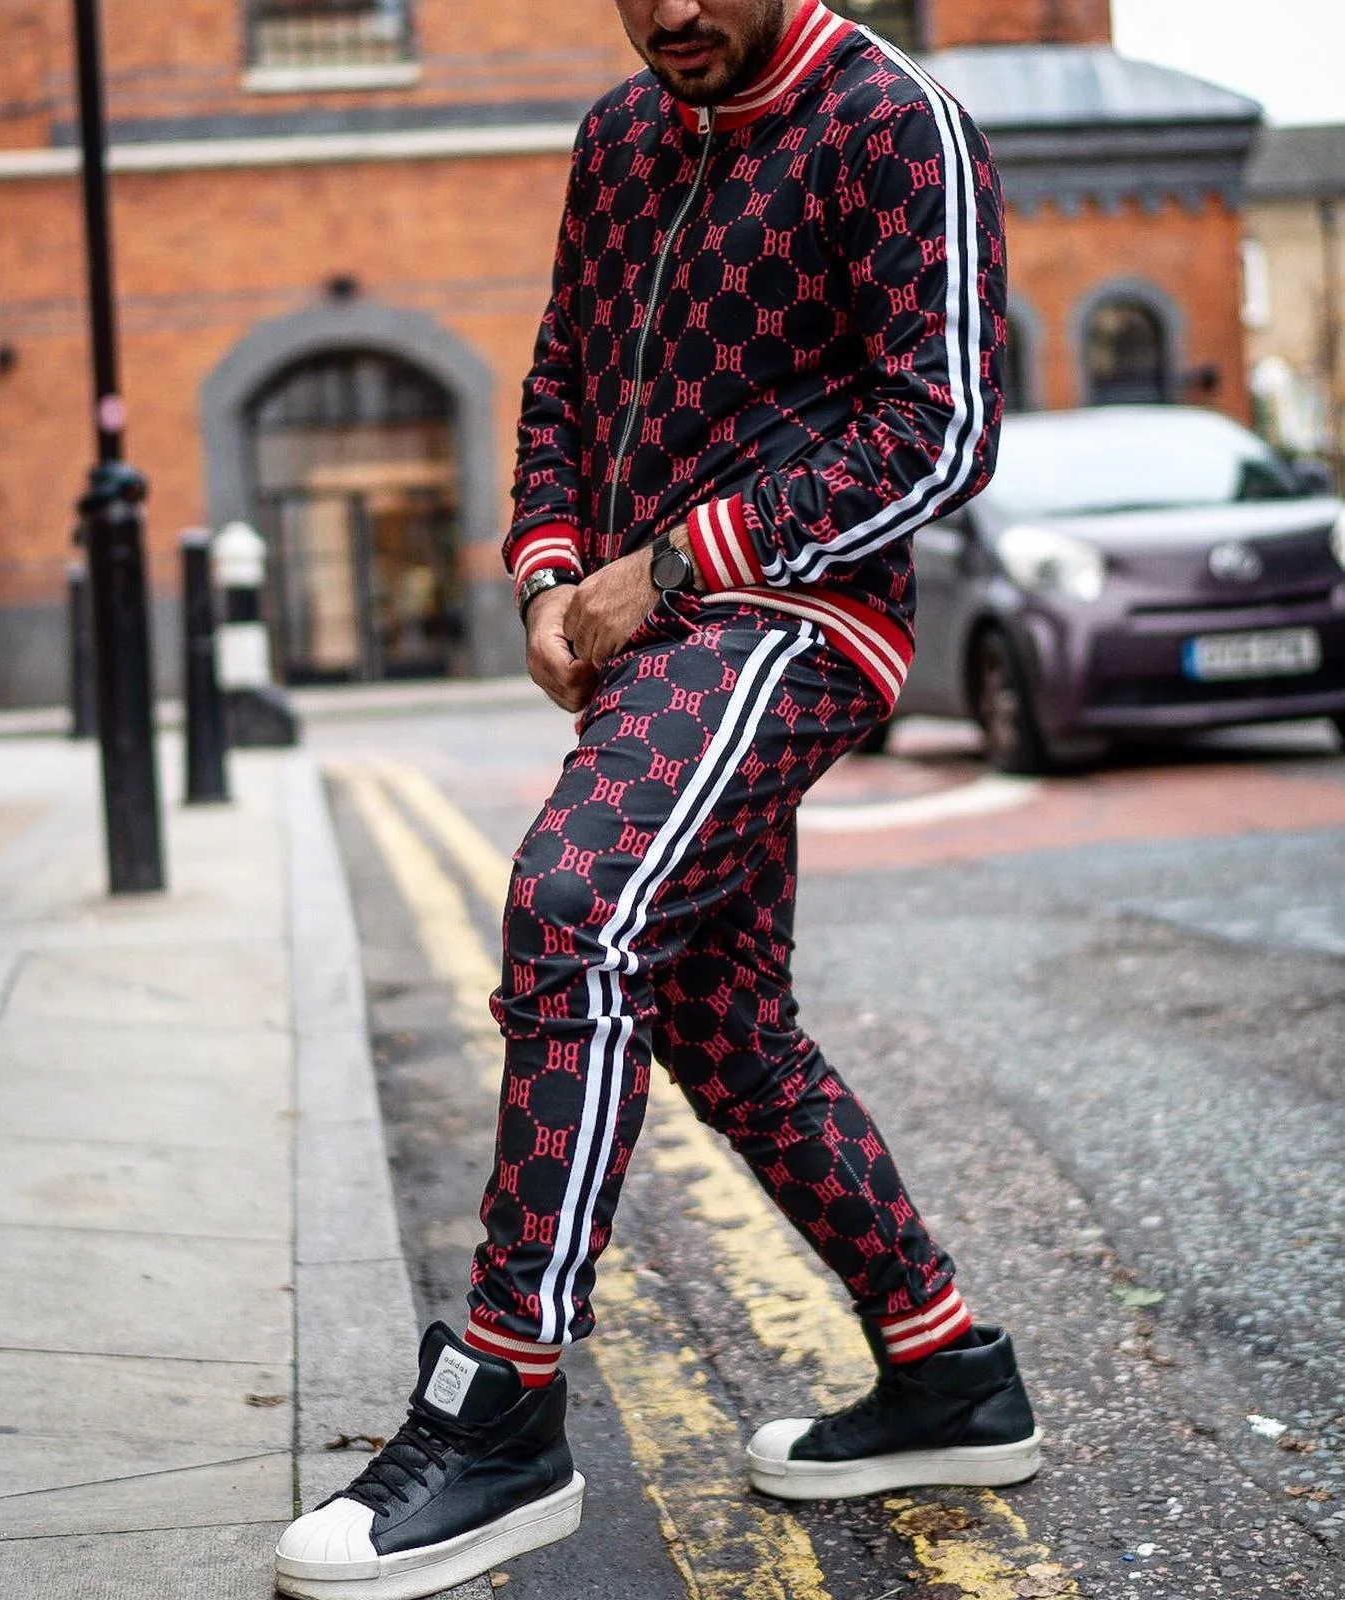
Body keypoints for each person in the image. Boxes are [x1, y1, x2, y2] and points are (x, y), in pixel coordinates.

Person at [275, 2, 1038, 1595]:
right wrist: (552, 570)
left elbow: (940, 430)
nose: (674, 9)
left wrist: (673, 564)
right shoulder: (622, 132)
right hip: (642, 624)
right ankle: (945, 1367)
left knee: (574, 909)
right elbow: (561, 373)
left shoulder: (892, 121)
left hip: (794, 613)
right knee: (716, 1017)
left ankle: (502, 1409)